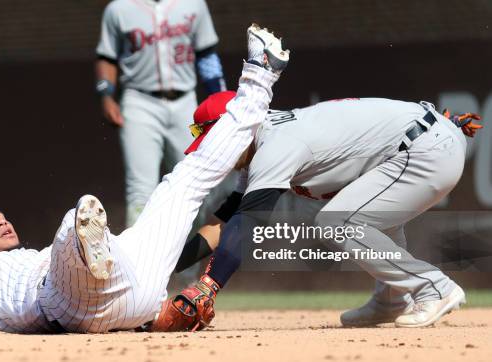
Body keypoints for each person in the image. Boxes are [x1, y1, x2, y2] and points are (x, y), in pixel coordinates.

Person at [0, 24, 290, 334]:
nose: (0, 221)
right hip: (69, 301)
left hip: (135, 288)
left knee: (182, 183)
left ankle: (259, 77)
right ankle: (92, 242)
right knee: (73, 224)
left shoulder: (25, 257)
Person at [161, 95, 483, 330]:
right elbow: (222, 224)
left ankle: (432, 287)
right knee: (359, 213)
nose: (214, 152)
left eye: (212, 140)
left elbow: (246, 226)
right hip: (424, 141)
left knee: (337, 221)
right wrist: (164, 266)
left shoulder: (276, 145)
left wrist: (209, 286)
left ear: (233, 131)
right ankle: (392, 298)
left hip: (427, 150)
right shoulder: (263, 141)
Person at [95, 0, 228, 226]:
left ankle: (191, 261)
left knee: (194, 186)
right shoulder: (119, 9)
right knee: (140, 191)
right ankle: (138, 261)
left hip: (186, 104)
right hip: (139, 103)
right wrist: (106, 95)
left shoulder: (194, 4)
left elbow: (206, 54)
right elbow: (107, 57)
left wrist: (220, 96)